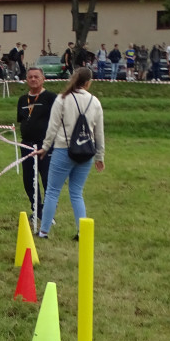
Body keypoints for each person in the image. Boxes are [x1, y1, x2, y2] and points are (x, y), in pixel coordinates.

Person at [35, 67, 105, 241]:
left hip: (63, 149)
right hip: (86, 152)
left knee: (52, 191)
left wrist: (45, 147)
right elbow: (99, 133)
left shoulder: (62, 99)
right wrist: (99, 156)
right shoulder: (95, 101)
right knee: (76, 192)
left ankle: (44, 231)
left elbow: (52, 127)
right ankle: (82, 231)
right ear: (88, 83)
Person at [16, 67, 57, 224]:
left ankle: (48, 213)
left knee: (47, 179)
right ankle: (36, 210)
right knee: (29, 180)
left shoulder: (51, 98)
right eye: (30, 77)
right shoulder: (22, 100)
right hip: (27, 145)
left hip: (46, 146)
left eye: (36, 77)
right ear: (26, 79)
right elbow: (23, 119)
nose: (33, 79)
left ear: (43, 79)